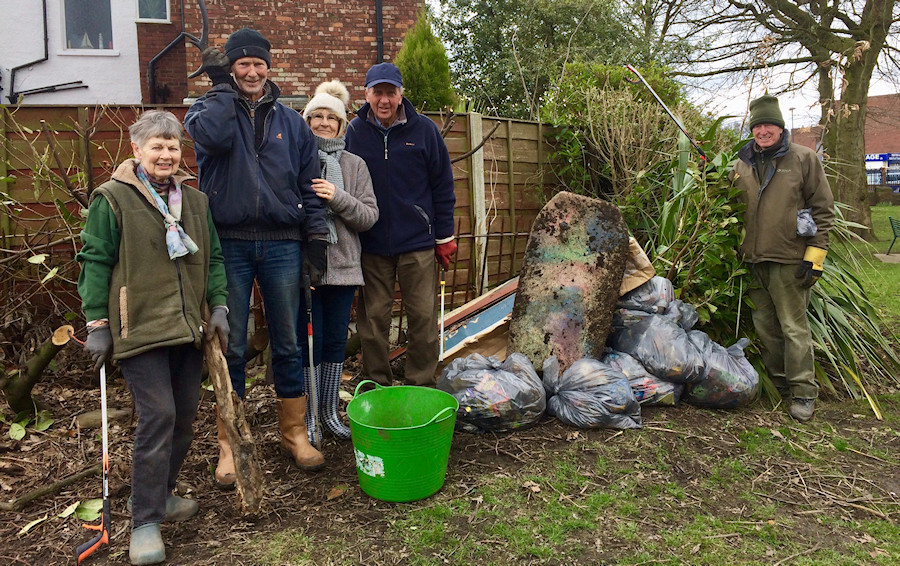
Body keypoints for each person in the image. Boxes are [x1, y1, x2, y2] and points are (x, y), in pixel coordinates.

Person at [77, 110, 229, 565]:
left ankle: (162, 495)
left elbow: (214, 258)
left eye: (173, 146)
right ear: (136, 151)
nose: (166, 154)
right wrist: (98, 327)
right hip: (139, 329)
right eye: (156, 146)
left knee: (184, 417)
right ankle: (144, 521)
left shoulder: (196, 203)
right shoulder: (114, 199)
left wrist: (218, 306)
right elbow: (95, 262)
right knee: (158, 416)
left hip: (186, 329)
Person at [184, 28, 330, 480]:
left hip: (284, 242)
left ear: (269, 67)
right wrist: (221, 91)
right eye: (242, 64)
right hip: (228, 242)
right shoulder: (209, 110)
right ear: (230, 68)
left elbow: (309, 183)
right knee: (229, 344)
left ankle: (294, 434)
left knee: (287, 341)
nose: (252, 71)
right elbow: (213, 140)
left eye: (258, 63)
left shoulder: (291, 123)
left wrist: (317, 239)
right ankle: (231, 440)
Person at [344, 62, 457, 386]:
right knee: (374, 320)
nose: (384, 100)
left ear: (400, 94)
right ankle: (379, 383)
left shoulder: (424, 131)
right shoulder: (355, 132)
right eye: (377, 92)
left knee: (422, 317)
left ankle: (420, 384)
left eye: (390, 93)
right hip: (372, 243)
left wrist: (444, 236)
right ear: (366, 95)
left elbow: (443, 185)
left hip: (417, 243)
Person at [733, 94, 835, 422]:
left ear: (780, 127)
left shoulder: (803, 158)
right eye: (758, 125)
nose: (763, 131)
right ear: (752, 129)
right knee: (765, 326)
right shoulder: (741, 163)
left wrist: (814, 258)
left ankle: (804, 392)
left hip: (790, 258)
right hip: (754, 259)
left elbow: (822, 209)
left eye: (769, 125)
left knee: (794, 327)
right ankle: (779, 384)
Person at [300, 80, 379, 441]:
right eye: (315, 116)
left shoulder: (355, 165)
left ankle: (330, 413)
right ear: (305, 121)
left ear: (342, 124)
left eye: (330, 117)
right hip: (305, 269)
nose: (322, 123)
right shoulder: (294, 159)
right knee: (307, 343)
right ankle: (309, 416)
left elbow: (368, 217)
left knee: (333, 342)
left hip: (345, 268)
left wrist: (337, 197)